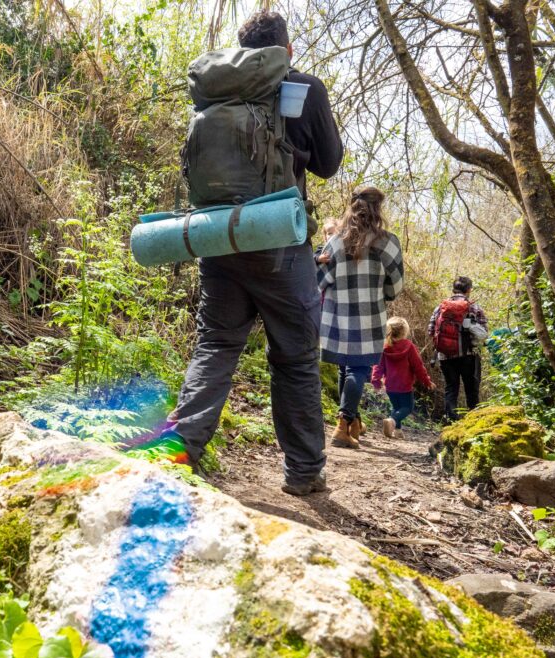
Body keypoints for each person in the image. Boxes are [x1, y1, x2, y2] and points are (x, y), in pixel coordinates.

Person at [164, 10, 343, 496]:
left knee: (215, 346)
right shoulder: (303, 86)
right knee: (296, 358)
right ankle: (304, 473)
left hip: (218, 239)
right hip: (280, 244)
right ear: (285, 51)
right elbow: (328, 163)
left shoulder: (214, 90)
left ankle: (178, 455)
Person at [317, 186, 404, 449]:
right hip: (369, 318)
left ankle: (354, 422)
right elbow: (395, 287)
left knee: (347, 367)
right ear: (378, 210)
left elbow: (320, 281)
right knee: (358, 369)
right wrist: (382, 292)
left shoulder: (334, 242)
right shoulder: (388, 242)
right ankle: (342, 425)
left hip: (337, 319)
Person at [427, 276, 488, 421]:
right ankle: (473, 422)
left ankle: (451, 421)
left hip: (445, 356)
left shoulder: (440, 308)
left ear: (453, 289)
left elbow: (431, 331)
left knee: (451, 389)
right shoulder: (474, 307)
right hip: (469, 355)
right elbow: (484, 333)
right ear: (469, 290)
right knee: (471, 390)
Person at [371, 316, 433, 439]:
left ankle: (397, 431)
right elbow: (418, 366)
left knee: (396, 407)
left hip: (390, 386)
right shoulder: (409, 346)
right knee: (408, 408)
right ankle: (392, 421)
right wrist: (427, 381)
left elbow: (378, 365)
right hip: (405, 386)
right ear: (404, 331)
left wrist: (376, 380)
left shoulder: (385, 347)